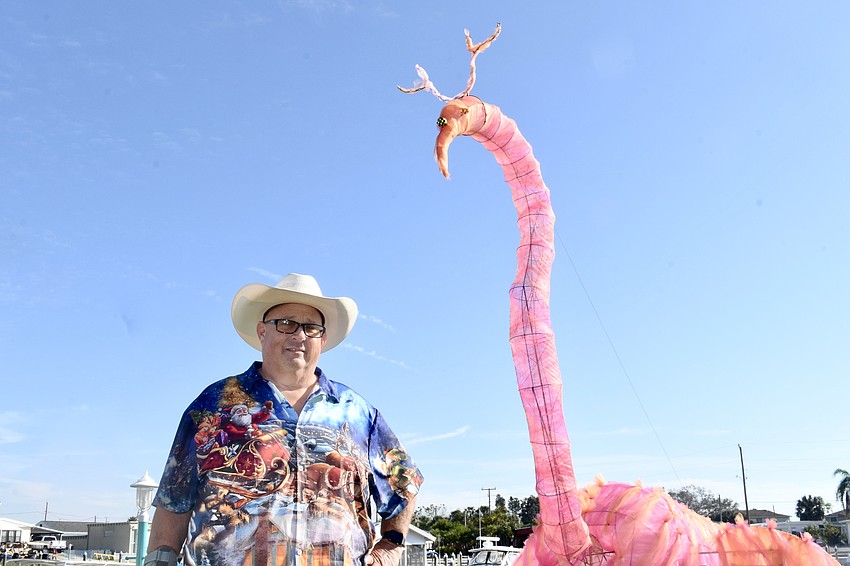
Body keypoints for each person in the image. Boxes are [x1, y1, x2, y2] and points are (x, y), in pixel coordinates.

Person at [147, 273, 422, 566]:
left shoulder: (358, 414)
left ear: (323, 339)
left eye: (311, 327)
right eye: (286, 324)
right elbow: (173, 502)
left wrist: (390, 547)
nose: (299, 335)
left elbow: (405, 484)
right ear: (262, 332)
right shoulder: (212, 406)